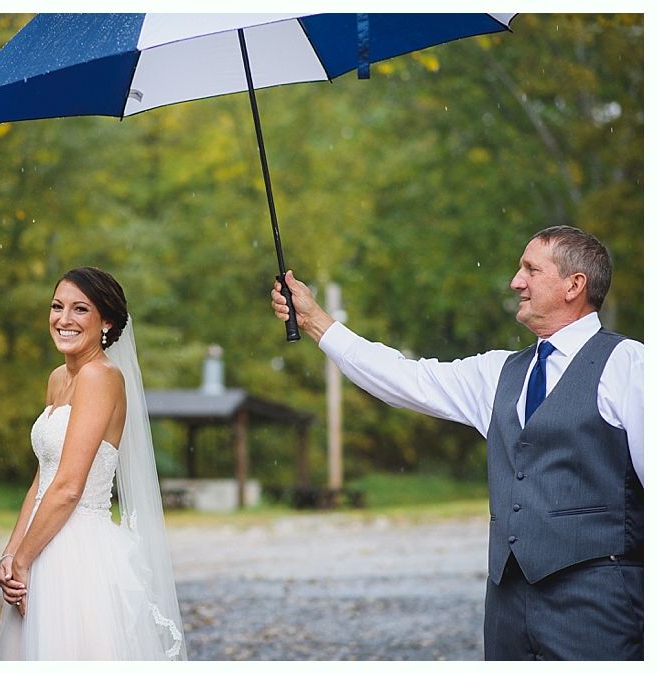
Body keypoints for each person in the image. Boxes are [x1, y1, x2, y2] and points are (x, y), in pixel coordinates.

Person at [270, 225, 642, 660]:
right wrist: (317, 322)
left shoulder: (629, 365)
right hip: (506, 605)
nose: (515, 281)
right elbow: (405, 379)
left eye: (530, 270)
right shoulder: (498, 371)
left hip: (602, 603)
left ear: (574, 285)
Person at [0, 267, 186, 660]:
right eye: (57, 307)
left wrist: (25, 561)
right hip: (40, 539)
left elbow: (68, 487)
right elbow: (42, 479)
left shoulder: (101, 377)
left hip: (77, 551)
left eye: (80, 309)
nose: (63, 320)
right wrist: (10, 556)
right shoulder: (57, 378)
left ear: (107, 321)